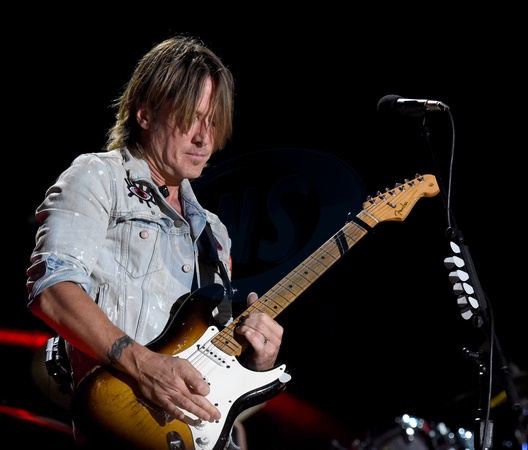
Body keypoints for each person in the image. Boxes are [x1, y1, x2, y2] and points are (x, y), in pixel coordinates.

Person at [26, 34, 284, 450]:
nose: (204, 138)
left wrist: (255, 359)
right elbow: (53, 290)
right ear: (145, 114)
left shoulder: (215, 233)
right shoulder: (98, 177)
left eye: (212, 122)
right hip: (122, 428)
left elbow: (210, 367)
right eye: (190, 118)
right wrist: (144, 365)